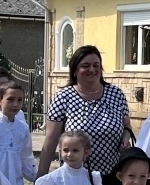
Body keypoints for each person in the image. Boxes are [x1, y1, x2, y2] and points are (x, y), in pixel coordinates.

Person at [37, 44, 132, 175]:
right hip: (75, 178)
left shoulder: (116, 94)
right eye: (85, 66)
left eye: (96, 65)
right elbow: (51, 140)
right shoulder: (63, 97)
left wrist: (125, 138)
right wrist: (41, 175)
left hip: (112, 176)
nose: (92, 69)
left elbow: (127, 126)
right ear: (75, 70)